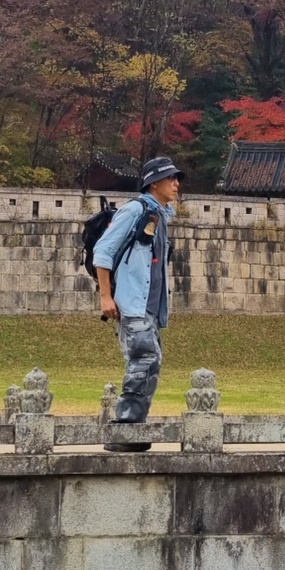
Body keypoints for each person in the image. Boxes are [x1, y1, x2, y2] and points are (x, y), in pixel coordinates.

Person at [92, 155, 181, 451]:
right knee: (143, 359)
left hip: (150, 308)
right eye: (171, 178)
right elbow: (103, 252)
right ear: (154, 183)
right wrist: (105, 296)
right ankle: (125, 430)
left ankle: (134, 428)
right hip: (133, 304)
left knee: (150, 361)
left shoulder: (160, 215)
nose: (176, 184)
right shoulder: (135, 210)